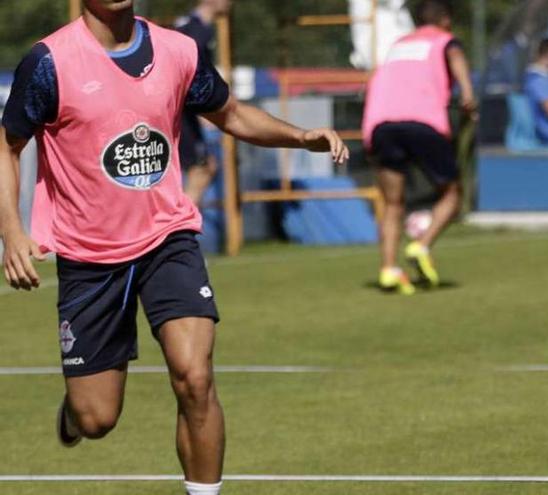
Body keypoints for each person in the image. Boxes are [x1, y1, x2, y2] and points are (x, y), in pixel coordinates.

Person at [0, 2, 348, 495]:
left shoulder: (177, 49)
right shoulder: (50, 61)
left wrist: (300, 137)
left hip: (169, 238)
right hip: (90, 256)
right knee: (98, 417)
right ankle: (76, 413)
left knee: (195, 377)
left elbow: (229, 113)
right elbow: (6, 146)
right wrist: (12, 231)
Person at [362, 0, 476, 295]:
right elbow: (455, 55)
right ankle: (421, 246)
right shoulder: (444, 40)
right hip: (422, 121)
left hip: (382, 124)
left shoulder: (398, 44)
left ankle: (388, 269)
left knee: (392, 203)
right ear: (446, 20)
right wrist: (466, 93)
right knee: (452, 193)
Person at [174, 0, 231, 206]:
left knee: (204, 167)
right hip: (183, 115)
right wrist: (203, 108)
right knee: (202, 168)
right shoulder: (197, 32)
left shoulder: (191, 25)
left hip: (184, 112)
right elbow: (187, 72)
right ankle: (178, 227)